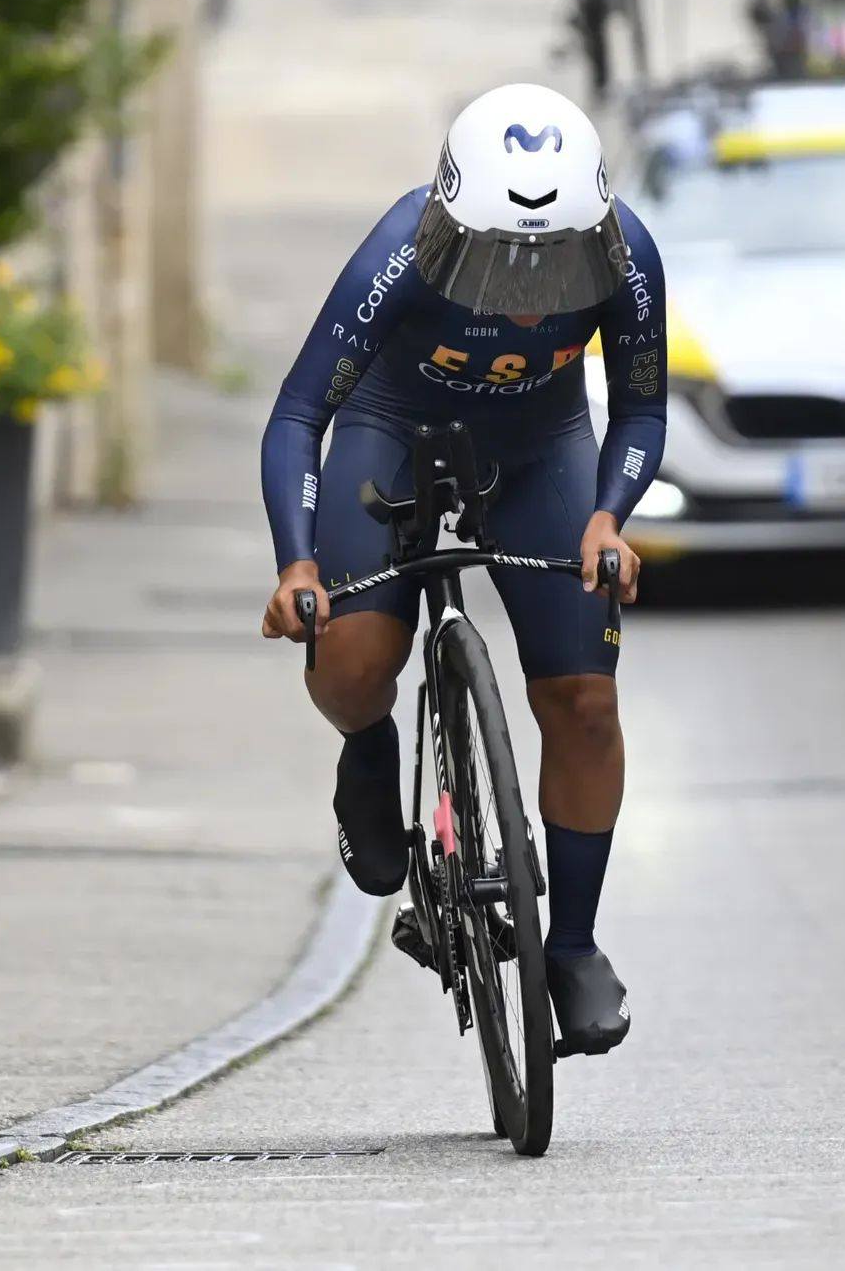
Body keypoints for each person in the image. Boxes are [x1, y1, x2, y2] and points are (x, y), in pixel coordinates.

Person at [260, 84, 666, 1056]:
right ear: (447, 225)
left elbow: (642, 407)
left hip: (542, 449)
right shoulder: (397, 249)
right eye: (496, 256)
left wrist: (608, 517)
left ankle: (568, 944)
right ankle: (366, 745)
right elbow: (298, 416)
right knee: (353, 660)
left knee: (585, 704)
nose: (527, 281)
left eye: (554, 257)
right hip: (391, 432)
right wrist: (296, 563)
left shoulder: (628, 252)